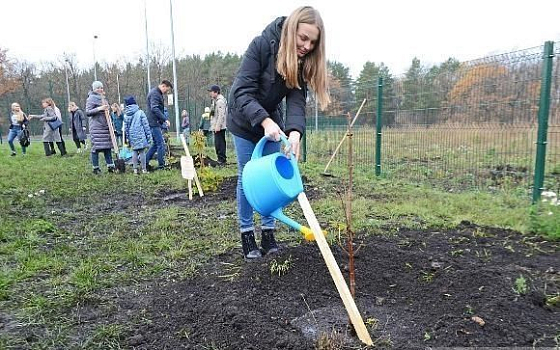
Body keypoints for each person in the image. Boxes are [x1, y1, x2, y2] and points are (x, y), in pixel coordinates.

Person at [227, 6, 330, 260]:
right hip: (243, 119)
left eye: (312, 42)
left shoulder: (300, 61)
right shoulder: (261, 45)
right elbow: (241, 91)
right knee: (247, 175)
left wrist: (294, 132)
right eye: (303, 38)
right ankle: (247, 232)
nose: (306, 46)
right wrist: (263, 120)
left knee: (274, 178)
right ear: (292, 29)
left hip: (272, 122)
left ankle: (269, 232)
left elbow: (296, 100)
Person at [86, 81, 115, 174]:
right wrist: (100, 108)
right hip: (96, 127)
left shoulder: (103, 98)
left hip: (105, 127)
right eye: (98, 88)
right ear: (94, 89)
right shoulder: (91, 99)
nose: (100, 89)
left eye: (101, 88)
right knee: (96, 148)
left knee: (107, 147)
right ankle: (96, 168)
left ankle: (111, 166)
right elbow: (88, 112)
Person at [145, 80, 172, 170]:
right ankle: (161, 166)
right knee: (161, 144)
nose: (166, 92)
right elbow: (154, 108)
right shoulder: (155, 94)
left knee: (156, 144)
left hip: (154, 122)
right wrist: (165, 119)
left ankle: (144, 162)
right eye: (167, 90)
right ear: (163, 86)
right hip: (154, 123)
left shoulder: (157, 93)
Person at [124, 96, 152, 174]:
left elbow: (126, 128)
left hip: (132, 136)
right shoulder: (140, 112)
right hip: (141, 135)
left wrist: (128, 138)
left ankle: (135, 170)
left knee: (134, 152)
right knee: (142, 152)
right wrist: (149, 136)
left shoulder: (126, 115)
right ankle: (144, 169)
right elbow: (146, 125)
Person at [208, 85, 227, 165]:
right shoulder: (215, 101)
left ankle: (221, 159)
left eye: (211, 92)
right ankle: (220, 158)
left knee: (220, 143)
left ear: (216, 92)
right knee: (217, 143)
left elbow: (221, 115)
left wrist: (218, 126)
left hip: (219, 127)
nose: (210, 94)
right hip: (216, 126)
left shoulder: (220, 101)